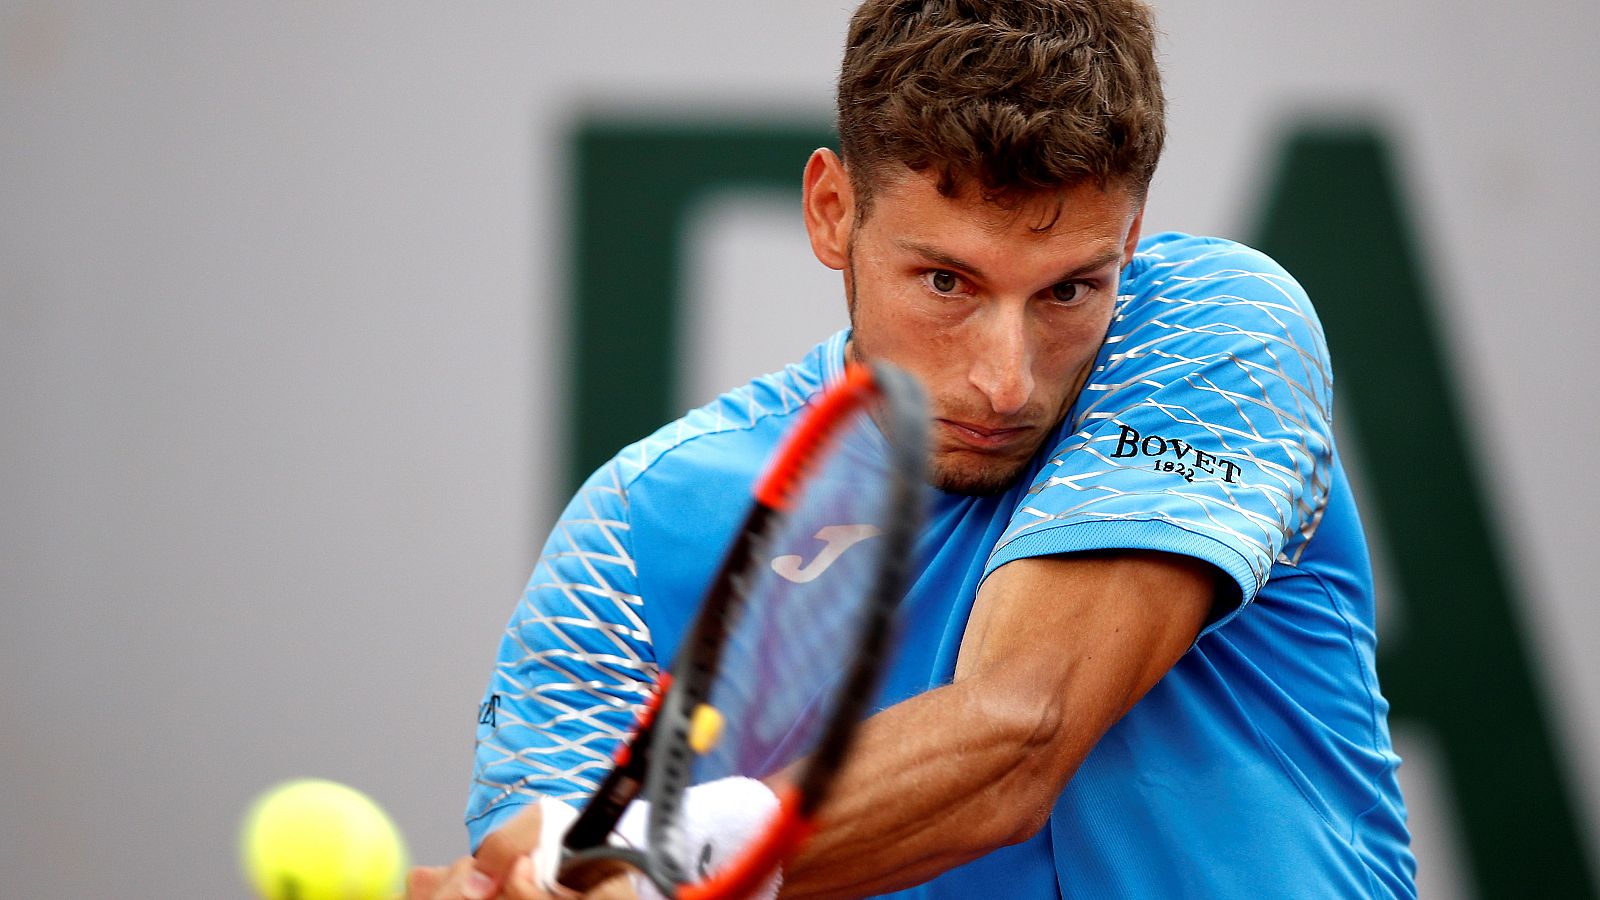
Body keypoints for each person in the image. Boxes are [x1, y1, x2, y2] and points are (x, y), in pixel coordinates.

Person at [413, 0, 1416, 897]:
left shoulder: (1216, 328)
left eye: (1068, 289)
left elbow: (1018, 729)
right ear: (832, 212)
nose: (1005, 379)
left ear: (1132, 235)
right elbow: (543, 855)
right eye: (945, 282)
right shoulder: (633, 532)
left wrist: (666, 868)